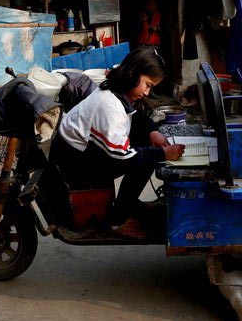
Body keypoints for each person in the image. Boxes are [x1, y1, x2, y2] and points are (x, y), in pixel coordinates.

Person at [56, 47, 185, 239]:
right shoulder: (109, 105)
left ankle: (128, 203)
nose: (147, 93)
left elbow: (135, 117)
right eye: (147, 85)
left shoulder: (117, 90)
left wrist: (153, 132)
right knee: (146, 157)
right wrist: (163, 154)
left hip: (81, 150)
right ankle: (118, 219)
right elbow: (123, 157)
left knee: (147, 144)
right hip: (75, 163)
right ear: (133, 74)